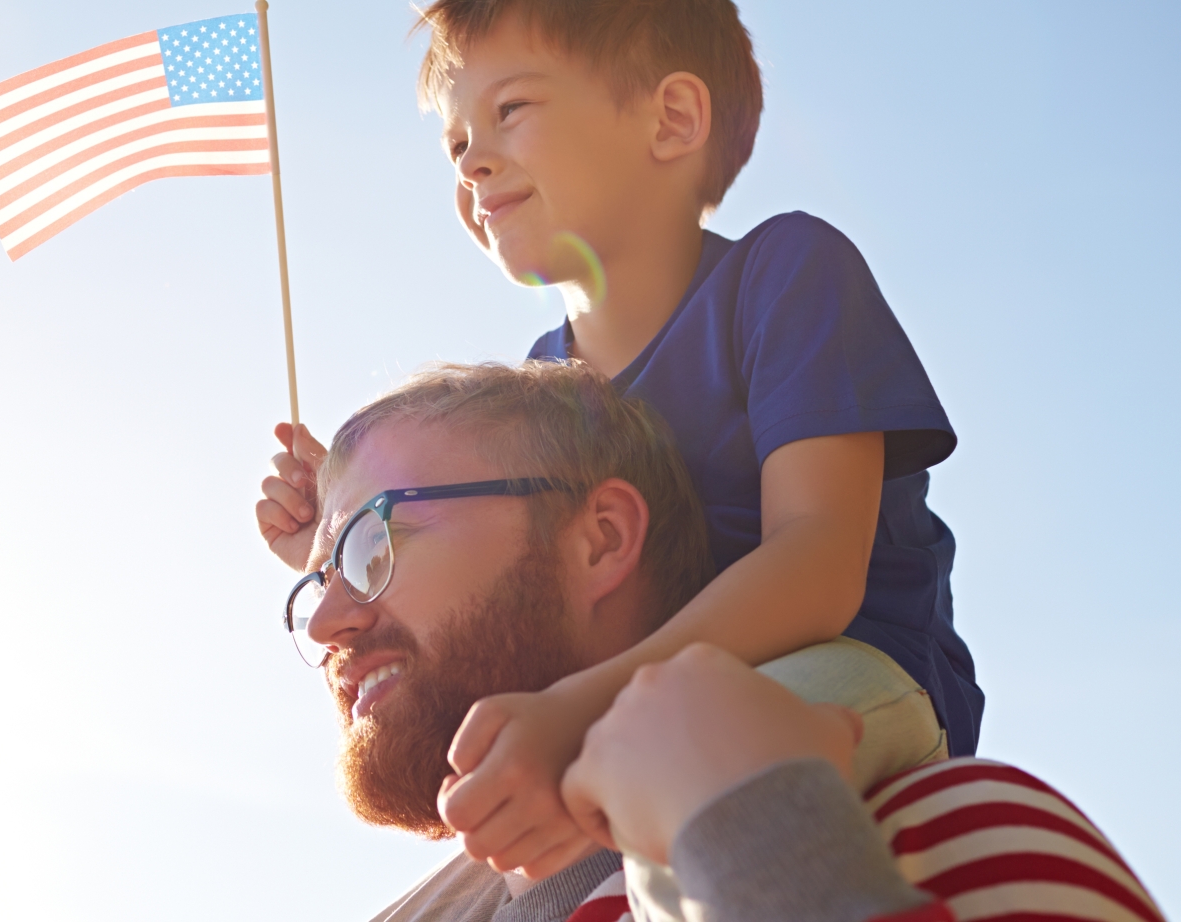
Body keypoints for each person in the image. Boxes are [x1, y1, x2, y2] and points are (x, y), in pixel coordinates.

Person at [257, 0, 980, 880]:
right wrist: (344, 548)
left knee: (675, 773)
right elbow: (520, 609)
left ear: (670, 119)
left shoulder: (786, 273)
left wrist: (579, 707)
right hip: (629, 696)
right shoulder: (545, 388)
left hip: (850, 665)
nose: (472, 162)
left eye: (511, 109)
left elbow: (819, 564)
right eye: (455, 145)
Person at [286, 361, 1157, 922]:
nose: (326, 625)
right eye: (317, 582)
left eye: (373, 544)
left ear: (599, 540)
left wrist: (757, 845)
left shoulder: (942, 835)